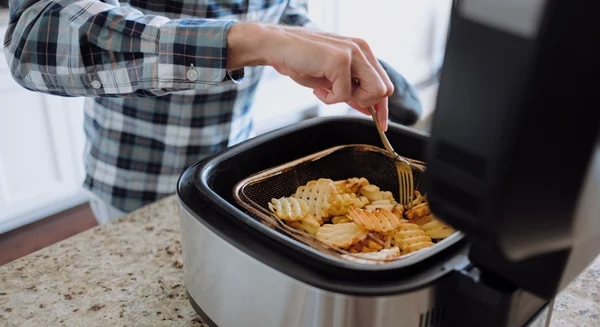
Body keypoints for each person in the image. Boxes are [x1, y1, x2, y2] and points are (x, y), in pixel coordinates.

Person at [3, 0, 394, 224]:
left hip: (236, 173)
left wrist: (315, 43)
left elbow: (280, 9)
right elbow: (33, 37)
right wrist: (252, 40)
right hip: (138, 185)